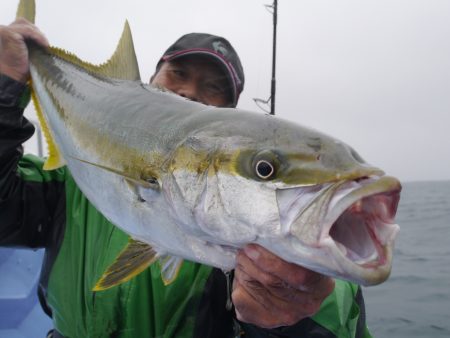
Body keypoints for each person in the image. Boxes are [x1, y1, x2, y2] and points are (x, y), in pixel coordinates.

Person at [0, 18, 372, 338]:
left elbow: (335, 310)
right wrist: (5, 90)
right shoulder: (71, 180)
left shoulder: (253, 224)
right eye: (177, 74)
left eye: (214, 89)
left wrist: (292, 317)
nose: (190, 92)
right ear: (148, 81)